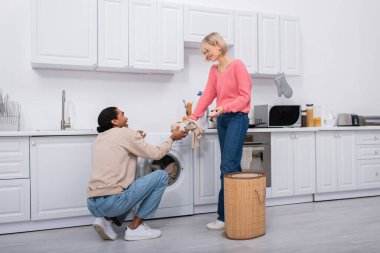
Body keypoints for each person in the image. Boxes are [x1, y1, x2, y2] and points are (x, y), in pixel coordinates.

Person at [87, 107, 188, 241]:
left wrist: (136, 139)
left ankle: (105, 220)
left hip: (93, 203)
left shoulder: (100, 138)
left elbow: (119, 156)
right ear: (115, 121)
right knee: (162, 176)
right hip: (113, 202)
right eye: (122, 114)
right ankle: (136, 228)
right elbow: (156, 154)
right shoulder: (125, 133)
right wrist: (171, 138)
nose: (126, 117)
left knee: (122, 186)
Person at [190, 32, 252, 230]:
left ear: (217, 45)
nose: (206, 56)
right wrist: (193, 117)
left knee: (227, 166)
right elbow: (208, 95)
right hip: (223, 120)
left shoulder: (238, 66)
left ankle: (223, 217)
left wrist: (224, 107)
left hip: (237, 119)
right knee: (233, 167)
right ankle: (243, 209)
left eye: (207, 51)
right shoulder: (214, 70)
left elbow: (245, 97)